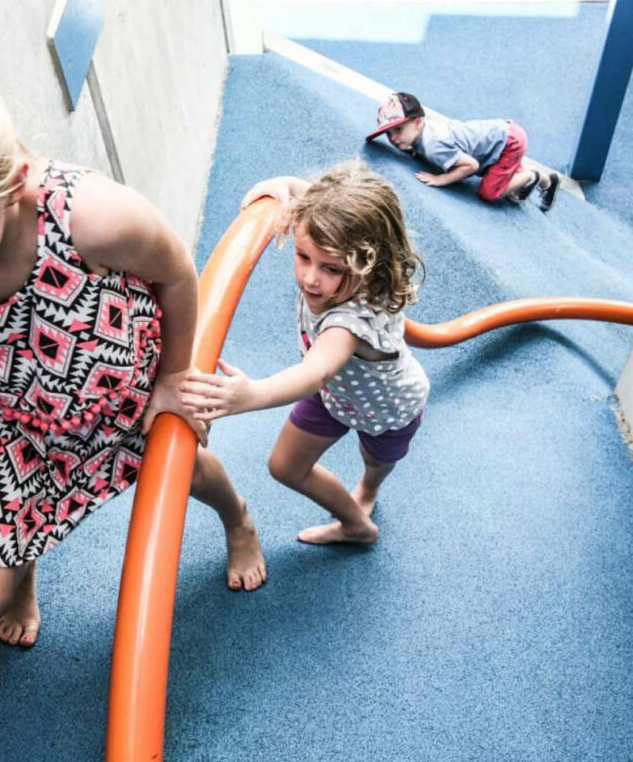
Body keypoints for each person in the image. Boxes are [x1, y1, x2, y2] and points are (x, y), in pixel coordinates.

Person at [0, 55, 266, 646]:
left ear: (14, 185)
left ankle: (237, 517)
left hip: (112, 390)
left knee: (186, 468)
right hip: (3, 412)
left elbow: (177, 274)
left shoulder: (91, 219)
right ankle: (24, 566)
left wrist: (172, 377)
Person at [180, 161, 429, 545]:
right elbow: (296, 199)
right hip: (335, 397)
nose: (311, 278)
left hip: (388, 407)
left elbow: (317, 371)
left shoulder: (348, 324)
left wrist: (251, 395)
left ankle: (367, 491)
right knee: (285, 466)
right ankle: (357, 526)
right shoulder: (326, 232)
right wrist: (278, 184)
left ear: (370, 264)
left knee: (376, 461)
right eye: (303, 257)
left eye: (331, 268)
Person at [366, 91, 560, 212]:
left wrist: (441, 179)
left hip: (508, 142)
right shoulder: (422, 134)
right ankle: (548, 181)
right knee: (505, 172)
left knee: (489, 191)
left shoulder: (433, 144)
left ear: (418, 122)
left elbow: (471, 165)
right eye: (388, 134)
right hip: (502, 136)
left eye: (398, 130)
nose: (393, 138)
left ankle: (531, 176)